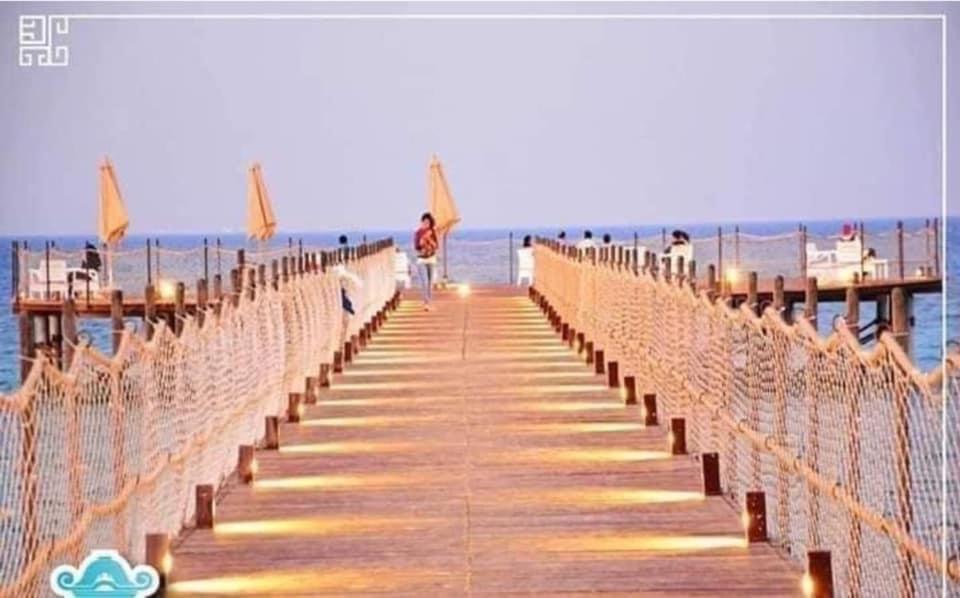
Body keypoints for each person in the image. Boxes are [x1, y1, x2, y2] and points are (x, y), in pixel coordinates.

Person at [415, 212, 440, 310]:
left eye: (428, 222)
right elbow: (416, 246)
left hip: (431, 259)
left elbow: (436, 246)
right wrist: (422, 241)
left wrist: (429, 240)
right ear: (422, 222)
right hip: (421, 259)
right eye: (424, 222)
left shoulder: (433, 232)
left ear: (430, 223)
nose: (426, 224)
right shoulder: (418, 232)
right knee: (424, 282)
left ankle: (429, 302)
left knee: (430, 282)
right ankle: (426, 303)